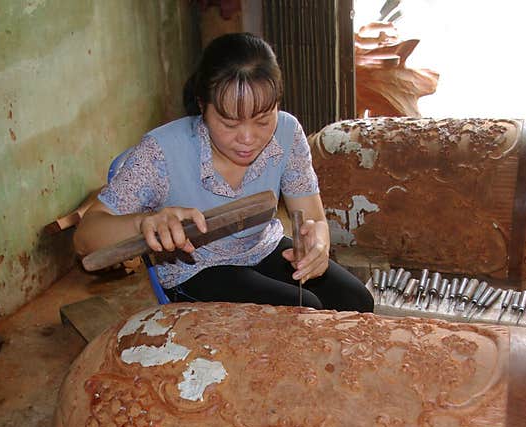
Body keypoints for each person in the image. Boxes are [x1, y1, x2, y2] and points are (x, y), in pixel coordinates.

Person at [73, 32, 373, 313]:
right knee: (303, 311)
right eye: (230, 123)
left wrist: (318, 241)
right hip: (196, 267)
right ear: (203, 106)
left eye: (262, 119)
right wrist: (144, 222)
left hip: (259, 247)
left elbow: (312, 218)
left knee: (355, 301)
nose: (247, 138)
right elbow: (85, 238)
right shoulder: (161, 152)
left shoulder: (287, 131)